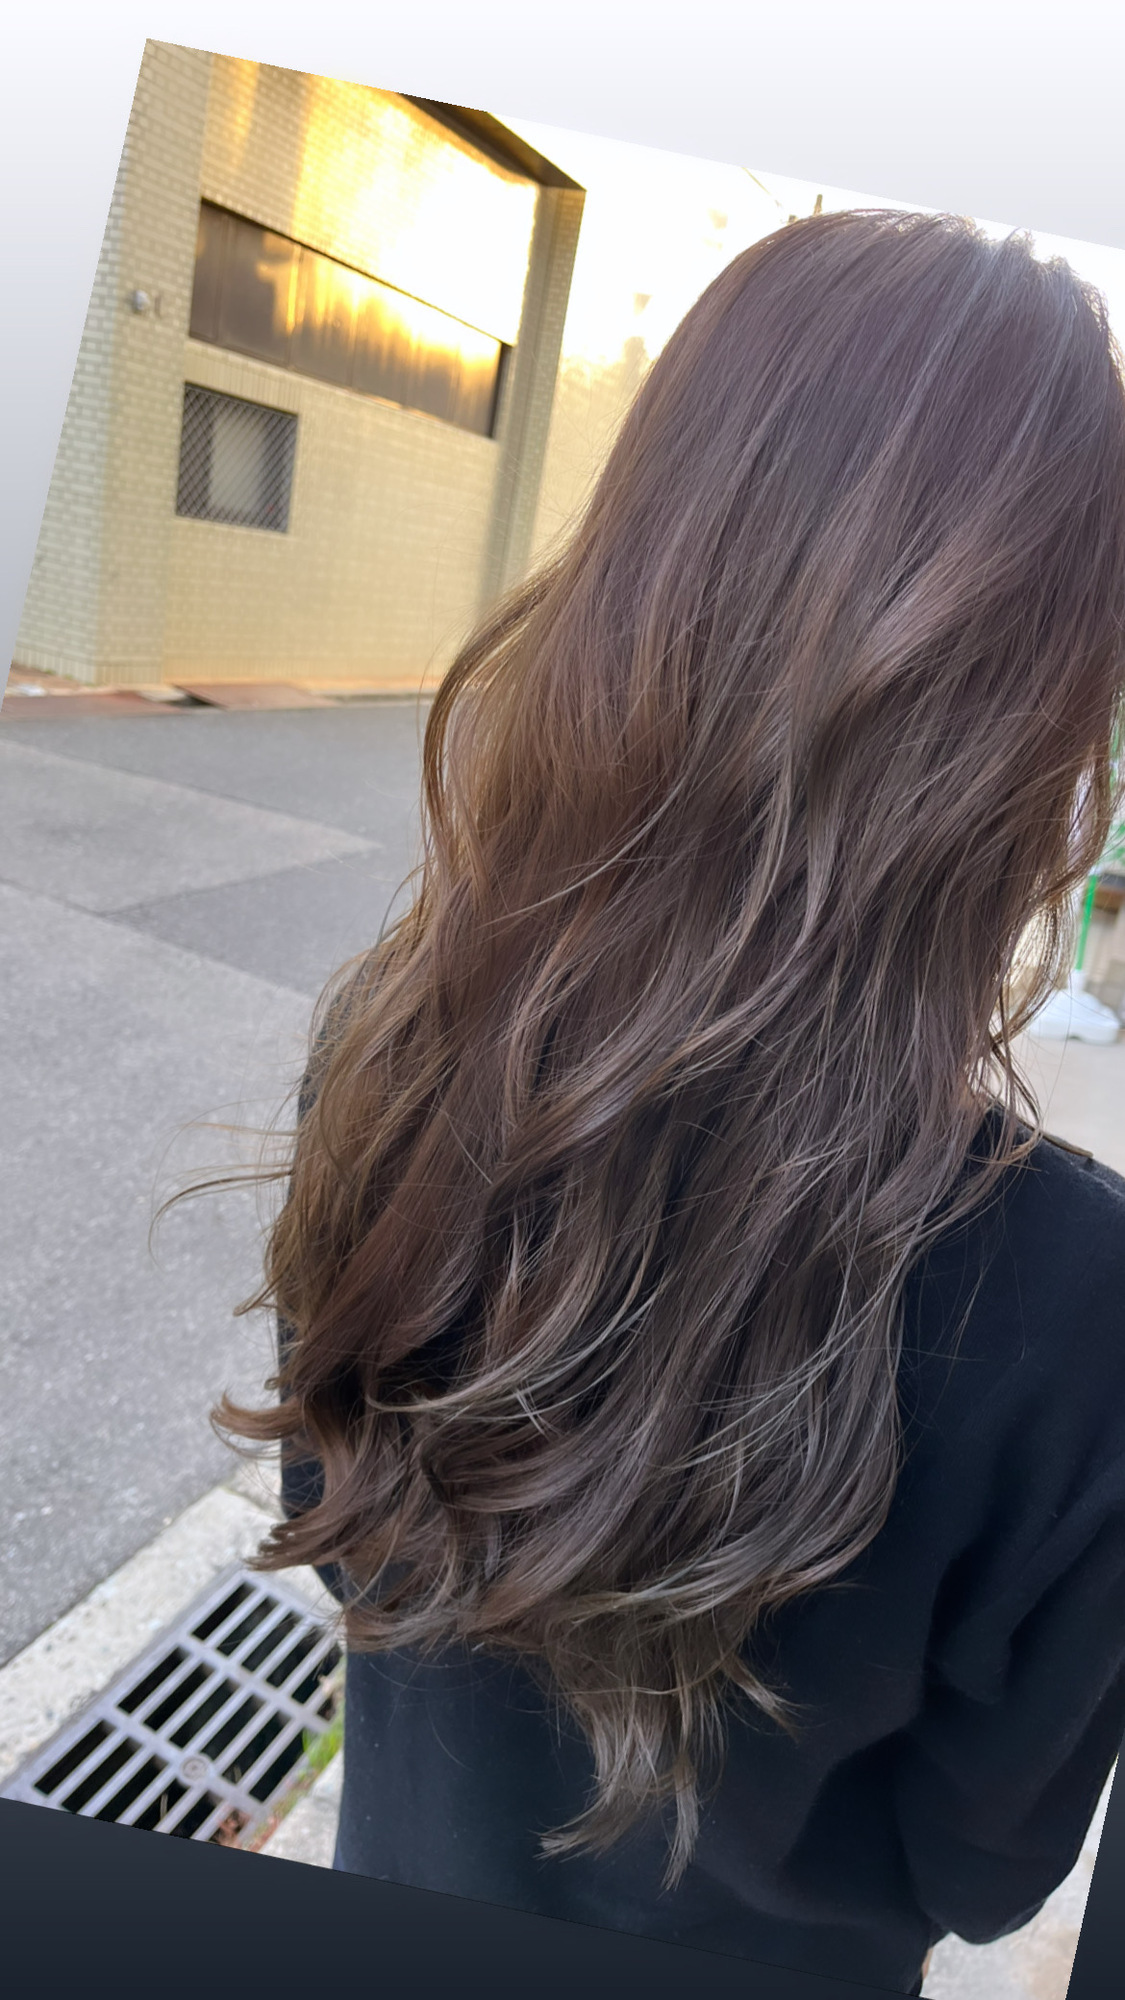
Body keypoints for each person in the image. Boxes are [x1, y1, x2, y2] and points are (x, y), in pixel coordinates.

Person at [218, 209, 1125, 1998]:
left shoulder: (400, 1053)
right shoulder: (1074, 1297)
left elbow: (344, 1527)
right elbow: (980, 1866)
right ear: (1035, 723)